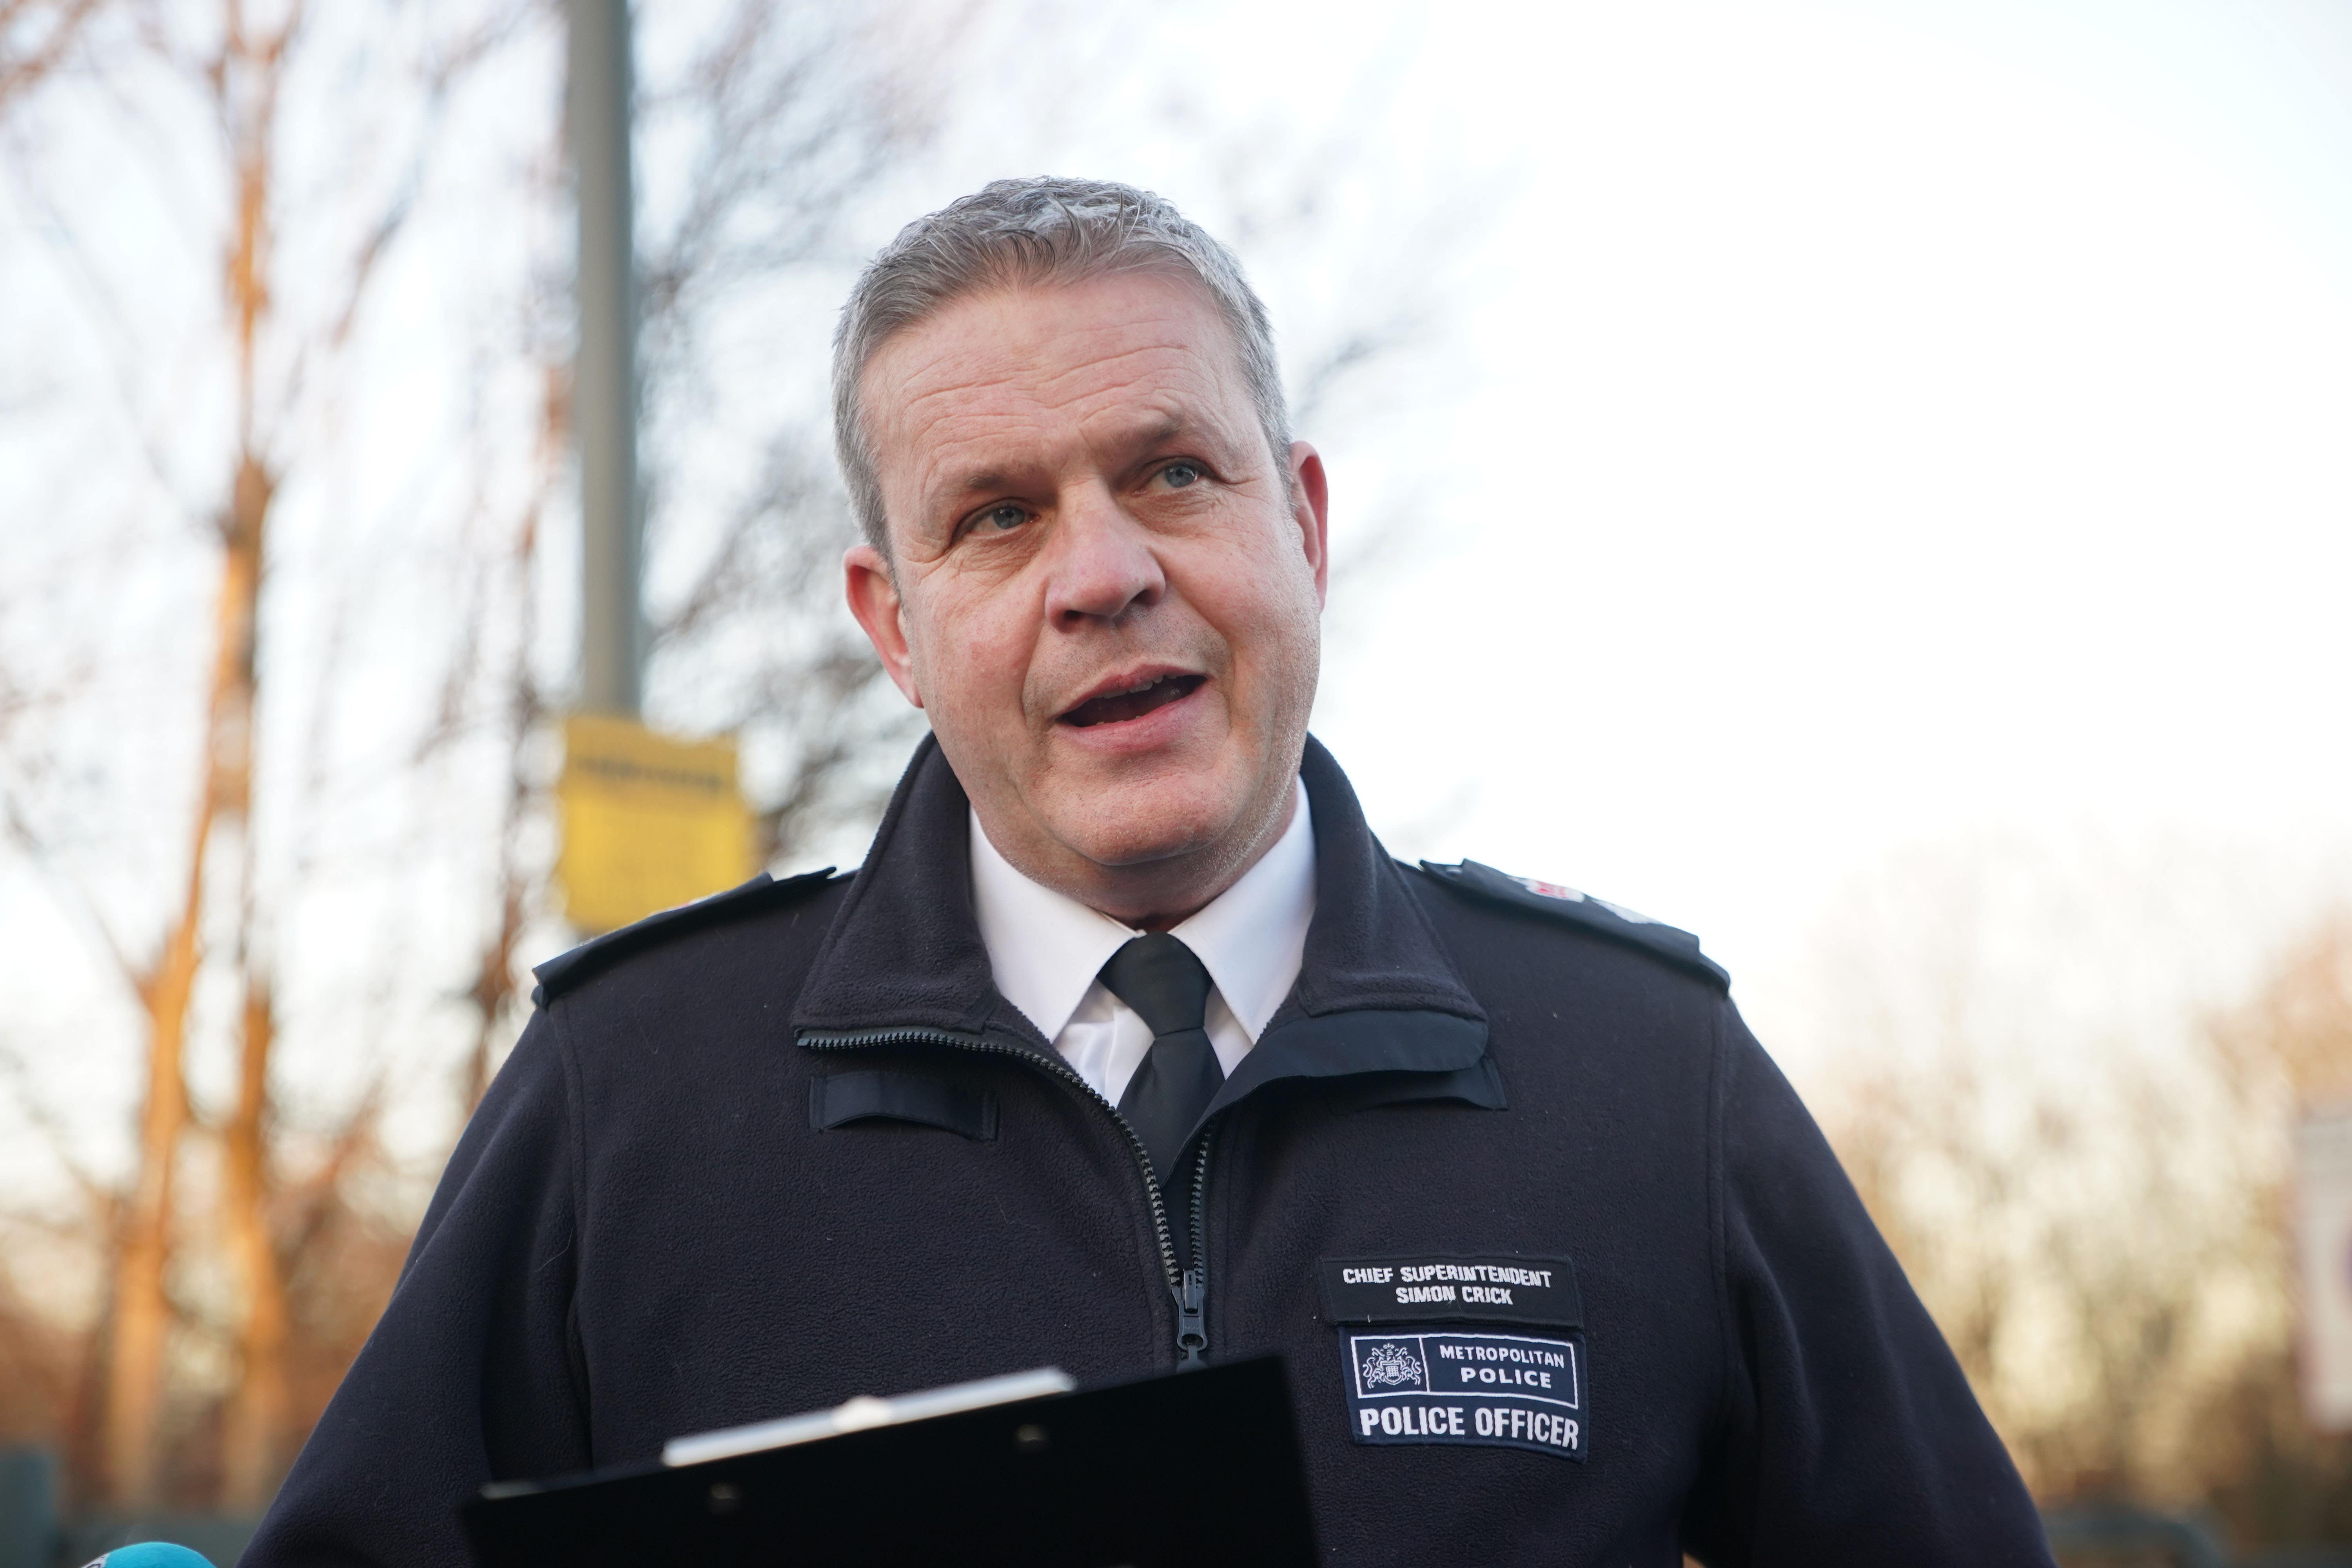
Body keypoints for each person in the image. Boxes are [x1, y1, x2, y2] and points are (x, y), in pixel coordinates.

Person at [245, 177, 2054, 1566]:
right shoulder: (631, 1095)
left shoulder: (1655, 1082)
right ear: (893, 623)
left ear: (1306, 525)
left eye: (1173, 472)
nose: (1100, 571)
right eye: (997, 514)